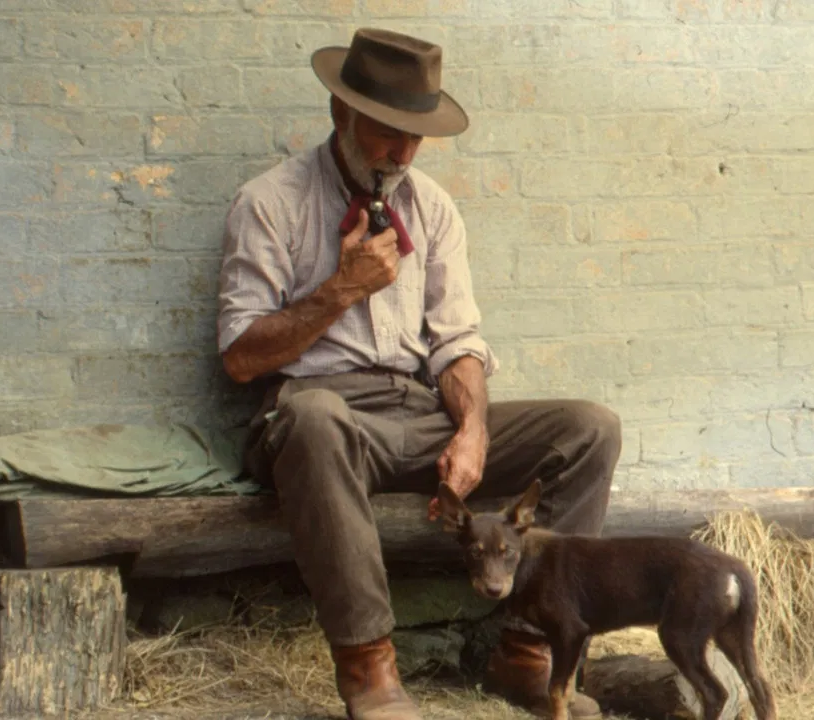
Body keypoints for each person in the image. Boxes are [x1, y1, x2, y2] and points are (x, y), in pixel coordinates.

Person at [215, 27, 621, 720]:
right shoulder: (269, 203)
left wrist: (472, 431)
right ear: (341, 112)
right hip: (324, 416)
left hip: (419, 412)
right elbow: (240, 357)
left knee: (590, 429)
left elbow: (457, 340)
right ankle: (369, 669)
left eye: (415, 137)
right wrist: (341, 290)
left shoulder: (430, 206)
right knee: (313, 418)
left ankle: (528, 654)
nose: (401, 153)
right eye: (386, 132)